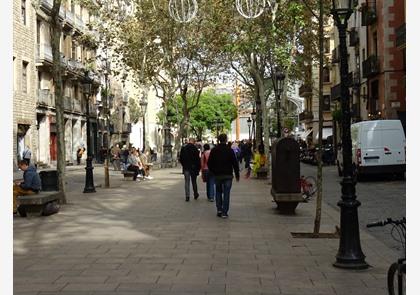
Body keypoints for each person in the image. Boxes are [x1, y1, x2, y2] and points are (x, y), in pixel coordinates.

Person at [208, 134, 240, 218]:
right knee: (226, 193)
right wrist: (237, 175)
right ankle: (224, 212)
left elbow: (210, 163)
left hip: (218, 175)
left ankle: (219, 209)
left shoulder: (214, 150)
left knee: (218, 192)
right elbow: (235, 163)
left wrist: (213, 172)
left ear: (218, 140)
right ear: (226, 140)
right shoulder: (230, 150)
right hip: (228, 175)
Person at [179, 137, 201, 202]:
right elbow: (198, 159)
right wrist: (198, 168)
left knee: (187, 182)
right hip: (193, 168)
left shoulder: (184, 148)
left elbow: (181, 158)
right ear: (193, 142)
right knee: (194, 181)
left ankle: (187, 196)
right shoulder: (195, 149)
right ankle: (195, 193)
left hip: (186, 167)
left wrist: (184, 165)